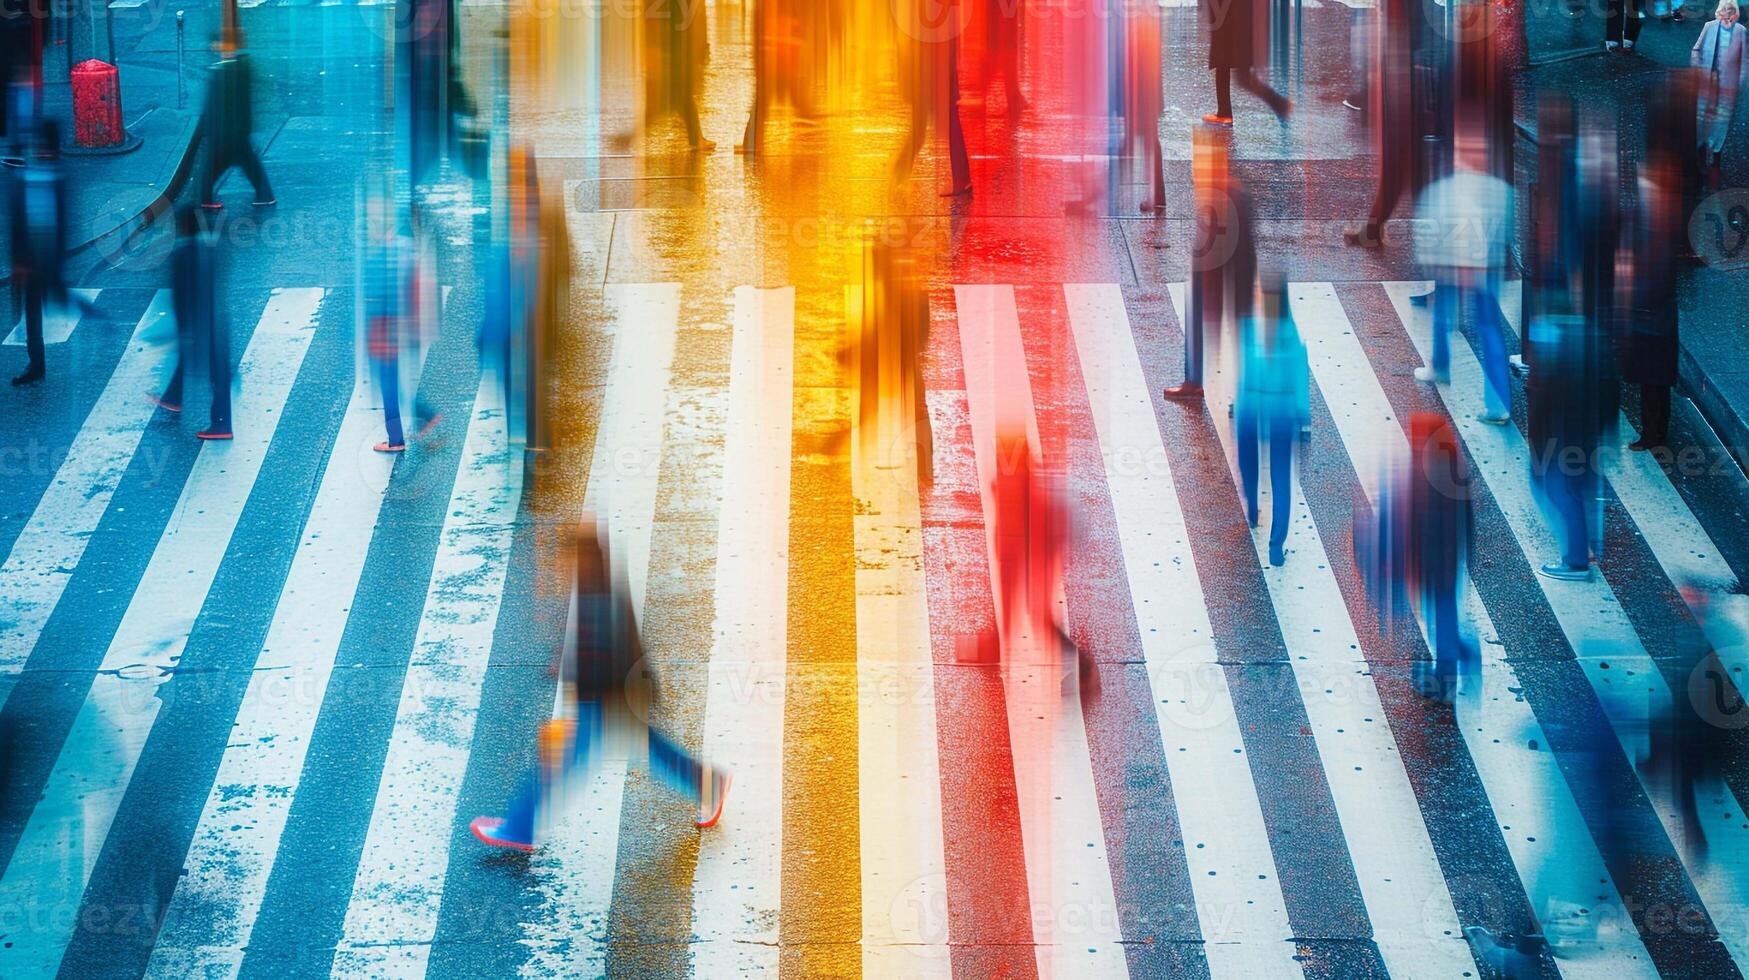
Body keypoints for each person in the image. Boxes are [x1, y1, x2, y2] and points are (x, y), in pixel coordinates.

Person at [471, 521, 731, 851]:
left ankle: (520, 829)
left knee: (556, 764)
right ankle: (710, 784)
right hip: (619, 698)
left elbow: (602, 656)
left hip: (601, 702)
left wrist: (574, 692)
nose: (561, 565)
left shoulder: (597, 601)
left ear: (580, 560)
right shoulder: (601, 590)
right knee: (653, 752)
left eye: (566, 558)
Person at [1411, 115, 1514, 425]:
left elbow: (1429, 233)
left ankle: (1440, 366)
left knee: (1444, 315)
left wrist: (1437, 264)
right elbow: (1504, 235)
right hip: (1487, 269)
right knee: (1489, 329)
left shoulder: (1445, 190)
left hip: (1454, 267)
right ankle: (1498, 405)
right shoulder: (1499, 190)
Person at [1166, 126, 1255, 400]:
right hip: (1241, 266)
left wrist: (1206, 282)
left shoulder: (1215, 194)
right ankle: (1246, 390)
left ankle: (1194, 382)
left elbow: (1211, 244)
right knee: (1242, 323)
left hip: (1218, 267)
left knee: (1203, 315)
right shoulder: (1235, 189)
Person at [1235, 275, 1309, 568]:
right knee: (1281, 477)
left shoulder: (1249, 328)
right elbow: (1300, 376)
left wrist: (1237, 404)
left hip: (1250, 406)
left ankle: (1253, 509)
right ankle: (1276, 547)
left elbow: (1243, 371)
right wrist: (1303, 418)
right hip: (1282, 410)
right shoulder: (1291, 334)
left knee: (1249, 463)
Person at [1620, 125, 1683, 452]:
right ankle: (1653, 431)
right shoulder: (1646, 213)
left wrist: (1633, 296)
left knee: (1653, 380)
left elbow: (1659, 272)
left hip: (1652, 315)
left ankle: (1654, 433)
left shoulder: (1659, 218)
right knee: (1651, 380)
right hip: (1650, 314)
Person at [149, 207, 232, 440]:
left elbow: (180, 295)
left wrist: (182, 326)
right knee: (214, 367)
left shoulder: (183, 254)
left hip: (198, 321)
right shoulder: (214, 247)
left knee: (216, 372)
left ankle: (222, 425)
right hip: (215, 319)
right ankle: (173, 398)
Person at [893, 0, 971, 196]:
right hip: (934, 54)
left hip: (931, 56)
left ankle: (898, 173)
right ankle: (899, 172)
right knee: (933, 118)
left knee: (933, 118)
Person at [8, 115, 62, 387]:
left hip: (35, 261)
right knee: (31, 311)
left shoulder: (41, 177)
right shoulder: (39, 176)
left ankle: (37, 362)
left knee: (31, 310)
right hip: (33, 260)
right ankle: (36, 361)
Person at [197, 31, 275, 210]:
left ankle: (205, 198)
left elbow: (213, 105)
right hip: (234, 129)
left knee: (224, 163)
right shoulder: (238, 67)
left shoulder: (224, 71)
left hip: (229, 130)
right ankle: (264, 195)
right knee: (242, 162)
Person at [1203, 0, 1290, 126]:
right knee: (1224, 59)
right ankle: (1224, 111)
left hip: (1226, 9)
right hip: (1228, 10)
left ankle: (1279, 104)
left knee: (1228, 62)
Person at [1692, 0, 1749, 179]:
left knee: (1721, 120)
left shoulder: (1741, 31)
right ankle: (1700, 151)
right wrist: (1698, 71)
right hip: (1707, 82)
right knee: (1702, 117)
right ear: (1719, 10)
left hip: (1727, 86)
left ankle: (1716, 154)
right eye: (1724, 8)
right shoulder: (1709, 27)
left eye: (1731, 9)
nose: (1727, 12)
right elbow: (1696, 49)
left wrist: (1739, 81)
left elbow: (1745, 59)